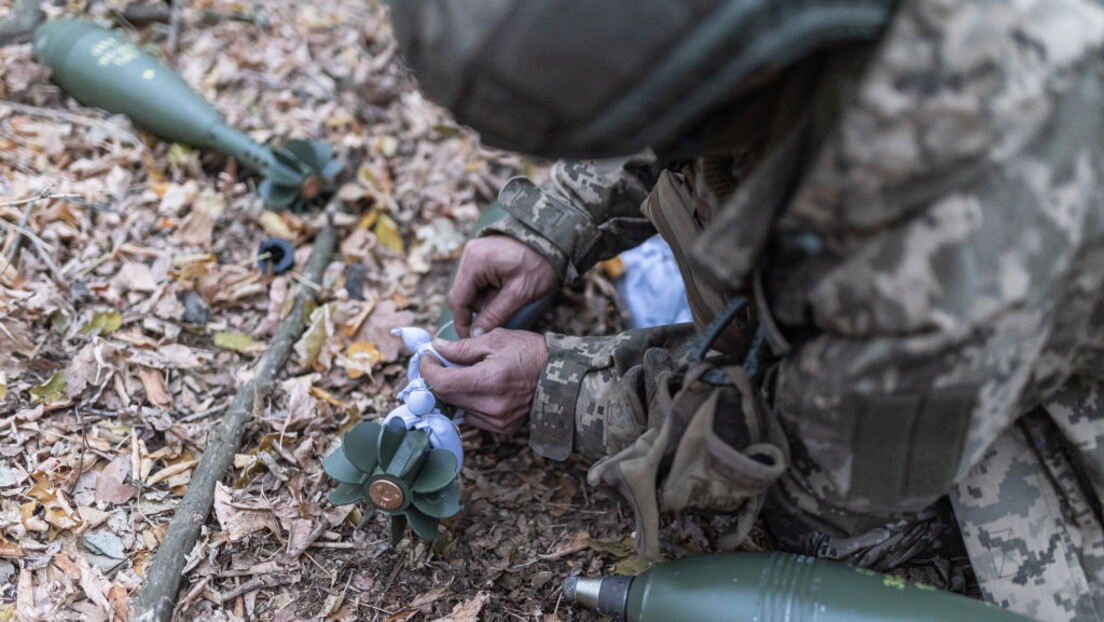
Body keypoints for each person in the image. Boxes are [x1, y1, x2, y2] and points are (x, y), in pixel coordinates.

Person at [387, 1, 1104, 620]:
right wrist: (556, 218)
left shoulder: (943, 232)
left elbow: (817, 476)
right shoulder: (760, 43)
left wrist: (560, 387)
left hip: (999, 394)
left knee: (834, 536)